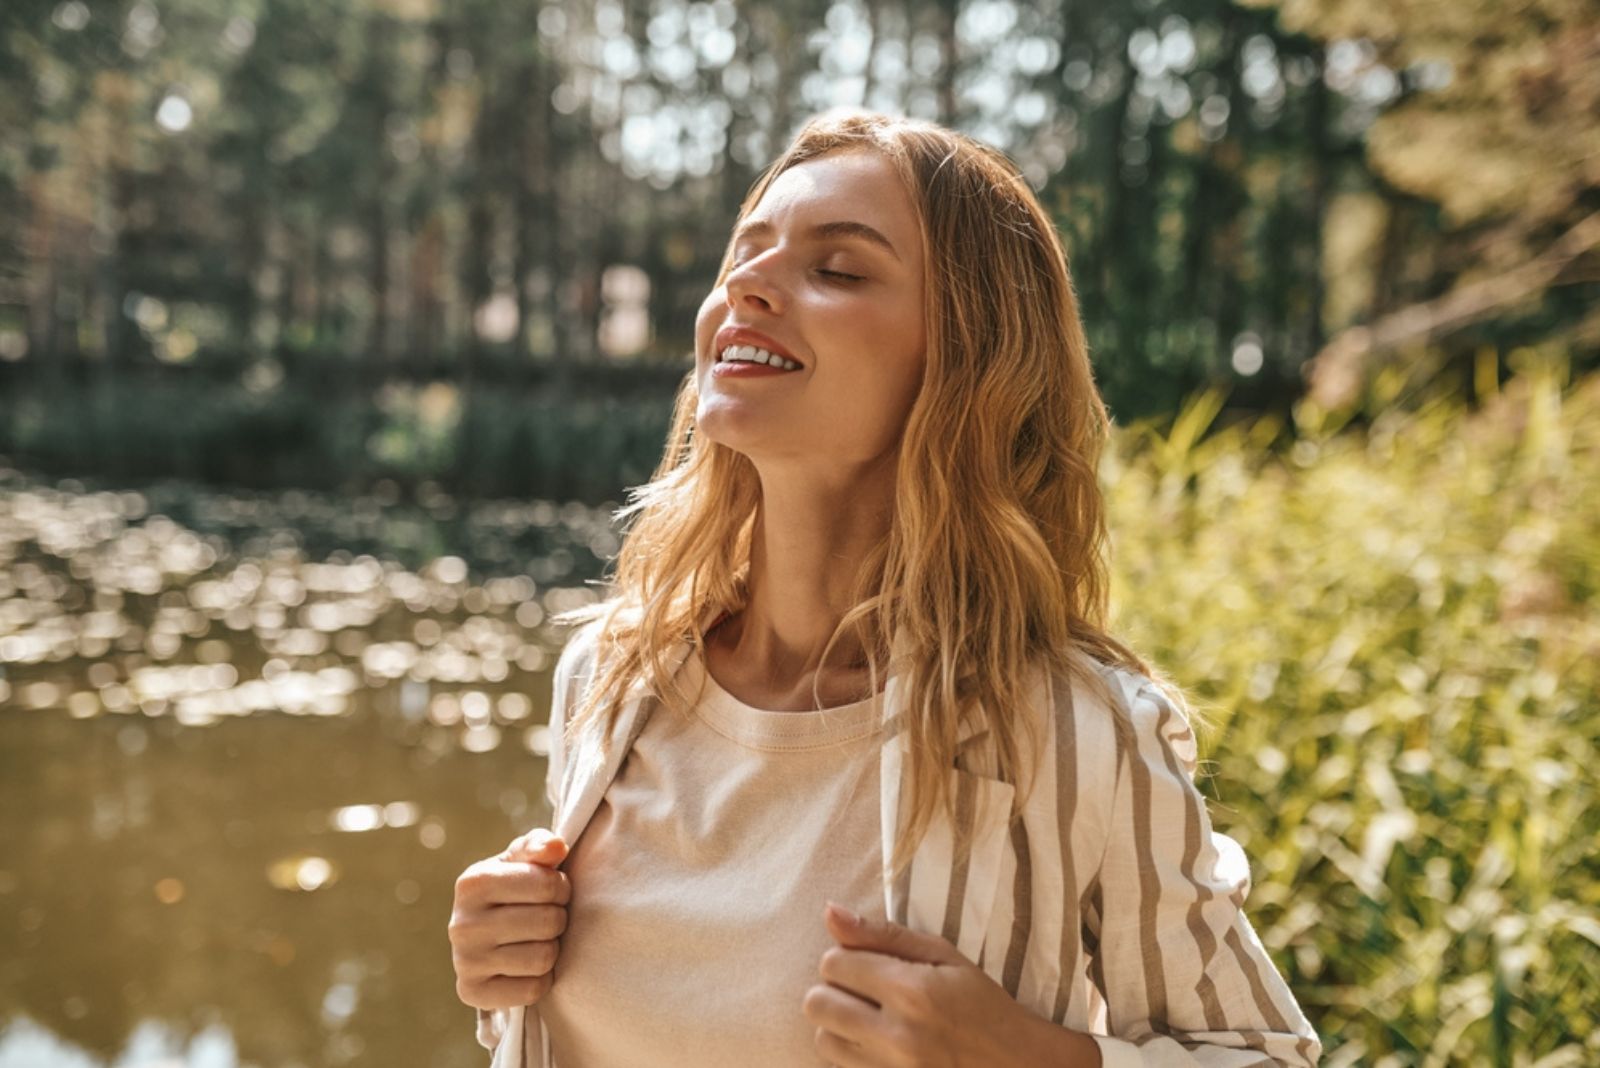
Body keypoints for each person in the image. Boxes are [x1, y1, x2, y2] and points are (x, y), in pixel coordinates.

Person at [448, 109, 1321, 1068]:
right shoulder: (611, 673)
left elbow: (1262, 1053)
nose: (746, 282)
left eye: (839, 269)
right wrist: (504, 983)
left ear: (967, 358)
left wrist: (1033, 1059)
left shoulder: (1076, 732)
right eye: (748, 250)